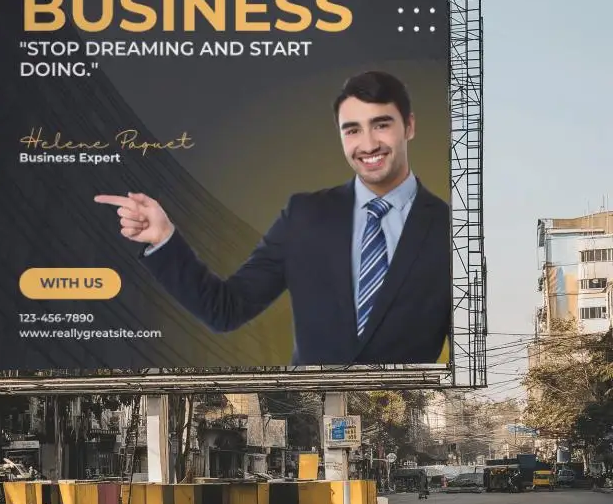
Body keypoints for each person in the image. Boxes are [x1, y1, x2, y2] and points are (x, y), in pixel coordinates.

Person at [95, 70, 451, 365]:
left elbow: (466, 344)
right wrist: (164, 239)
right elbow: (226, 310)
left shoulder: (450, 231)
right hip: (312, 416)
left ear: (409, 126)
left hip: (401, 408)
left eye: (382, 124)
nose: (368, 143)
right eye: (352, 130)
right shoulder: (305, 216)